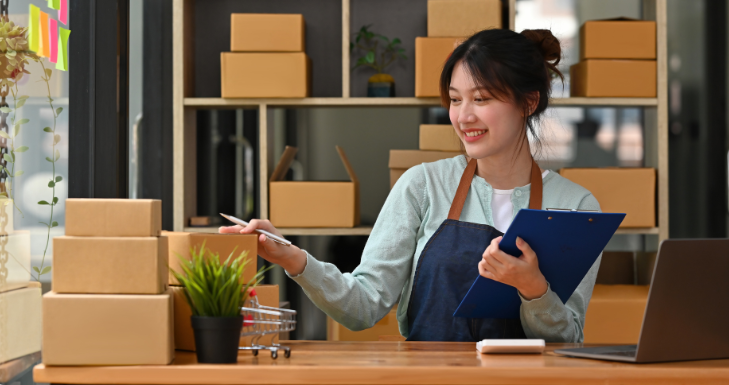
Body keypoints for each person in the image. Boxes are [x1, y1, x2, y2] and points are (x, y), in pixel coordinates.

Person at [220, 28, 601, 342]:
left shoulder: (576, 207)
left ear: (528, 102)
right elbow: (363, 306)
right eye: (455, 99)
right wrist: (293, 258)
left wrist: (533, 288)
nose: (463, 116)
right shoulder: (423, 185)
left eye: (481, 98)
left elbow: (568, 338)